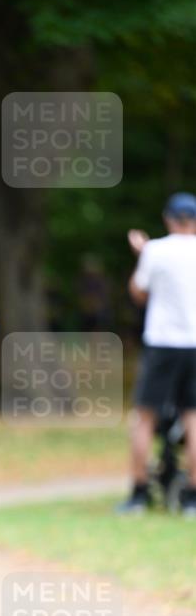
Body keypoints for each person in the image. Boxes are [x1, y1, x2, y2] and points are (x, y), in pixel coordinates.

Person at [118, 192, 196, 516]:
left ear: (168, 219)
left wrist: (142, 254)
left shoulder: (155, 250)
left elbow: (138, 291)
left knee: (144, 417)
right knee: (193, 418)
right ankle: (192, 497)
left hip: (162, 342)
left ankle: (138, 493)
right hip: (194, 343)